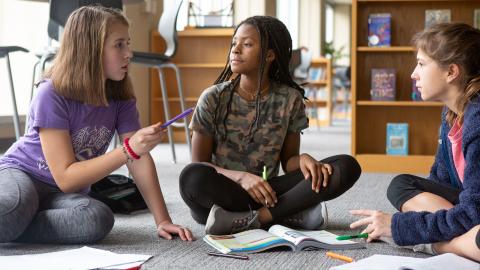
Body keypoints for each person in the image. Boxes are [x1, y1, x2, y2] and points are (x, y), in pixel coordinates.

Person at [0, 6, 193, 244]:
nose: (129, 53)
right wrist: (128, 149)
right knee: (13, 207)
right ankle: (17, 219)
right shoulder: (52, 93)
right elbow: (66, 176)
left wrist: (162, 220)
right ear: (90, 49)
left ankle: (18, 226)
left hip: (61, 194)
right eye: (119, 45)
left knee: (96, 217)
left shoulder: (121, 96)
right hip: (23, 173)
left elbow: (138, 158)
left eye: (128, 43)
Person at [179, 15, 361, 235]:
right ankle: (287, 213)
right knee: (191, 177)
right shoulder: (212, 98)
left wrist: (303, 159)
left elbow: (289, 162)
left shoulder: (290, 99)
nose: (235, 50)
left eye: (246, 44)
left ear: (269, 55)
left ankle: (259, 218)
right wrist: (242, 177)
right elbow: (200, 164)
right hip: (221, 193)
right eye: (234, 43)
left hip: (268, 191)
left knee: (345, 166)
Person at [350, 23, 480, 262]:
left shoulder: (478, 119)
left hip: (475, 212)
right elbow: (439, 181)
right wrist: (417, 224)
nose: (413, 74)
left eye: (421, 64)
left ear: (451, 72)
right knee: (401, 185)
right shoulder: (451, 112)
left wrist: (400, 227)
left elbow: (473, 211)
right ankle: (462, 239)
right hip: (471, 208)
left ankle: (443, 246)